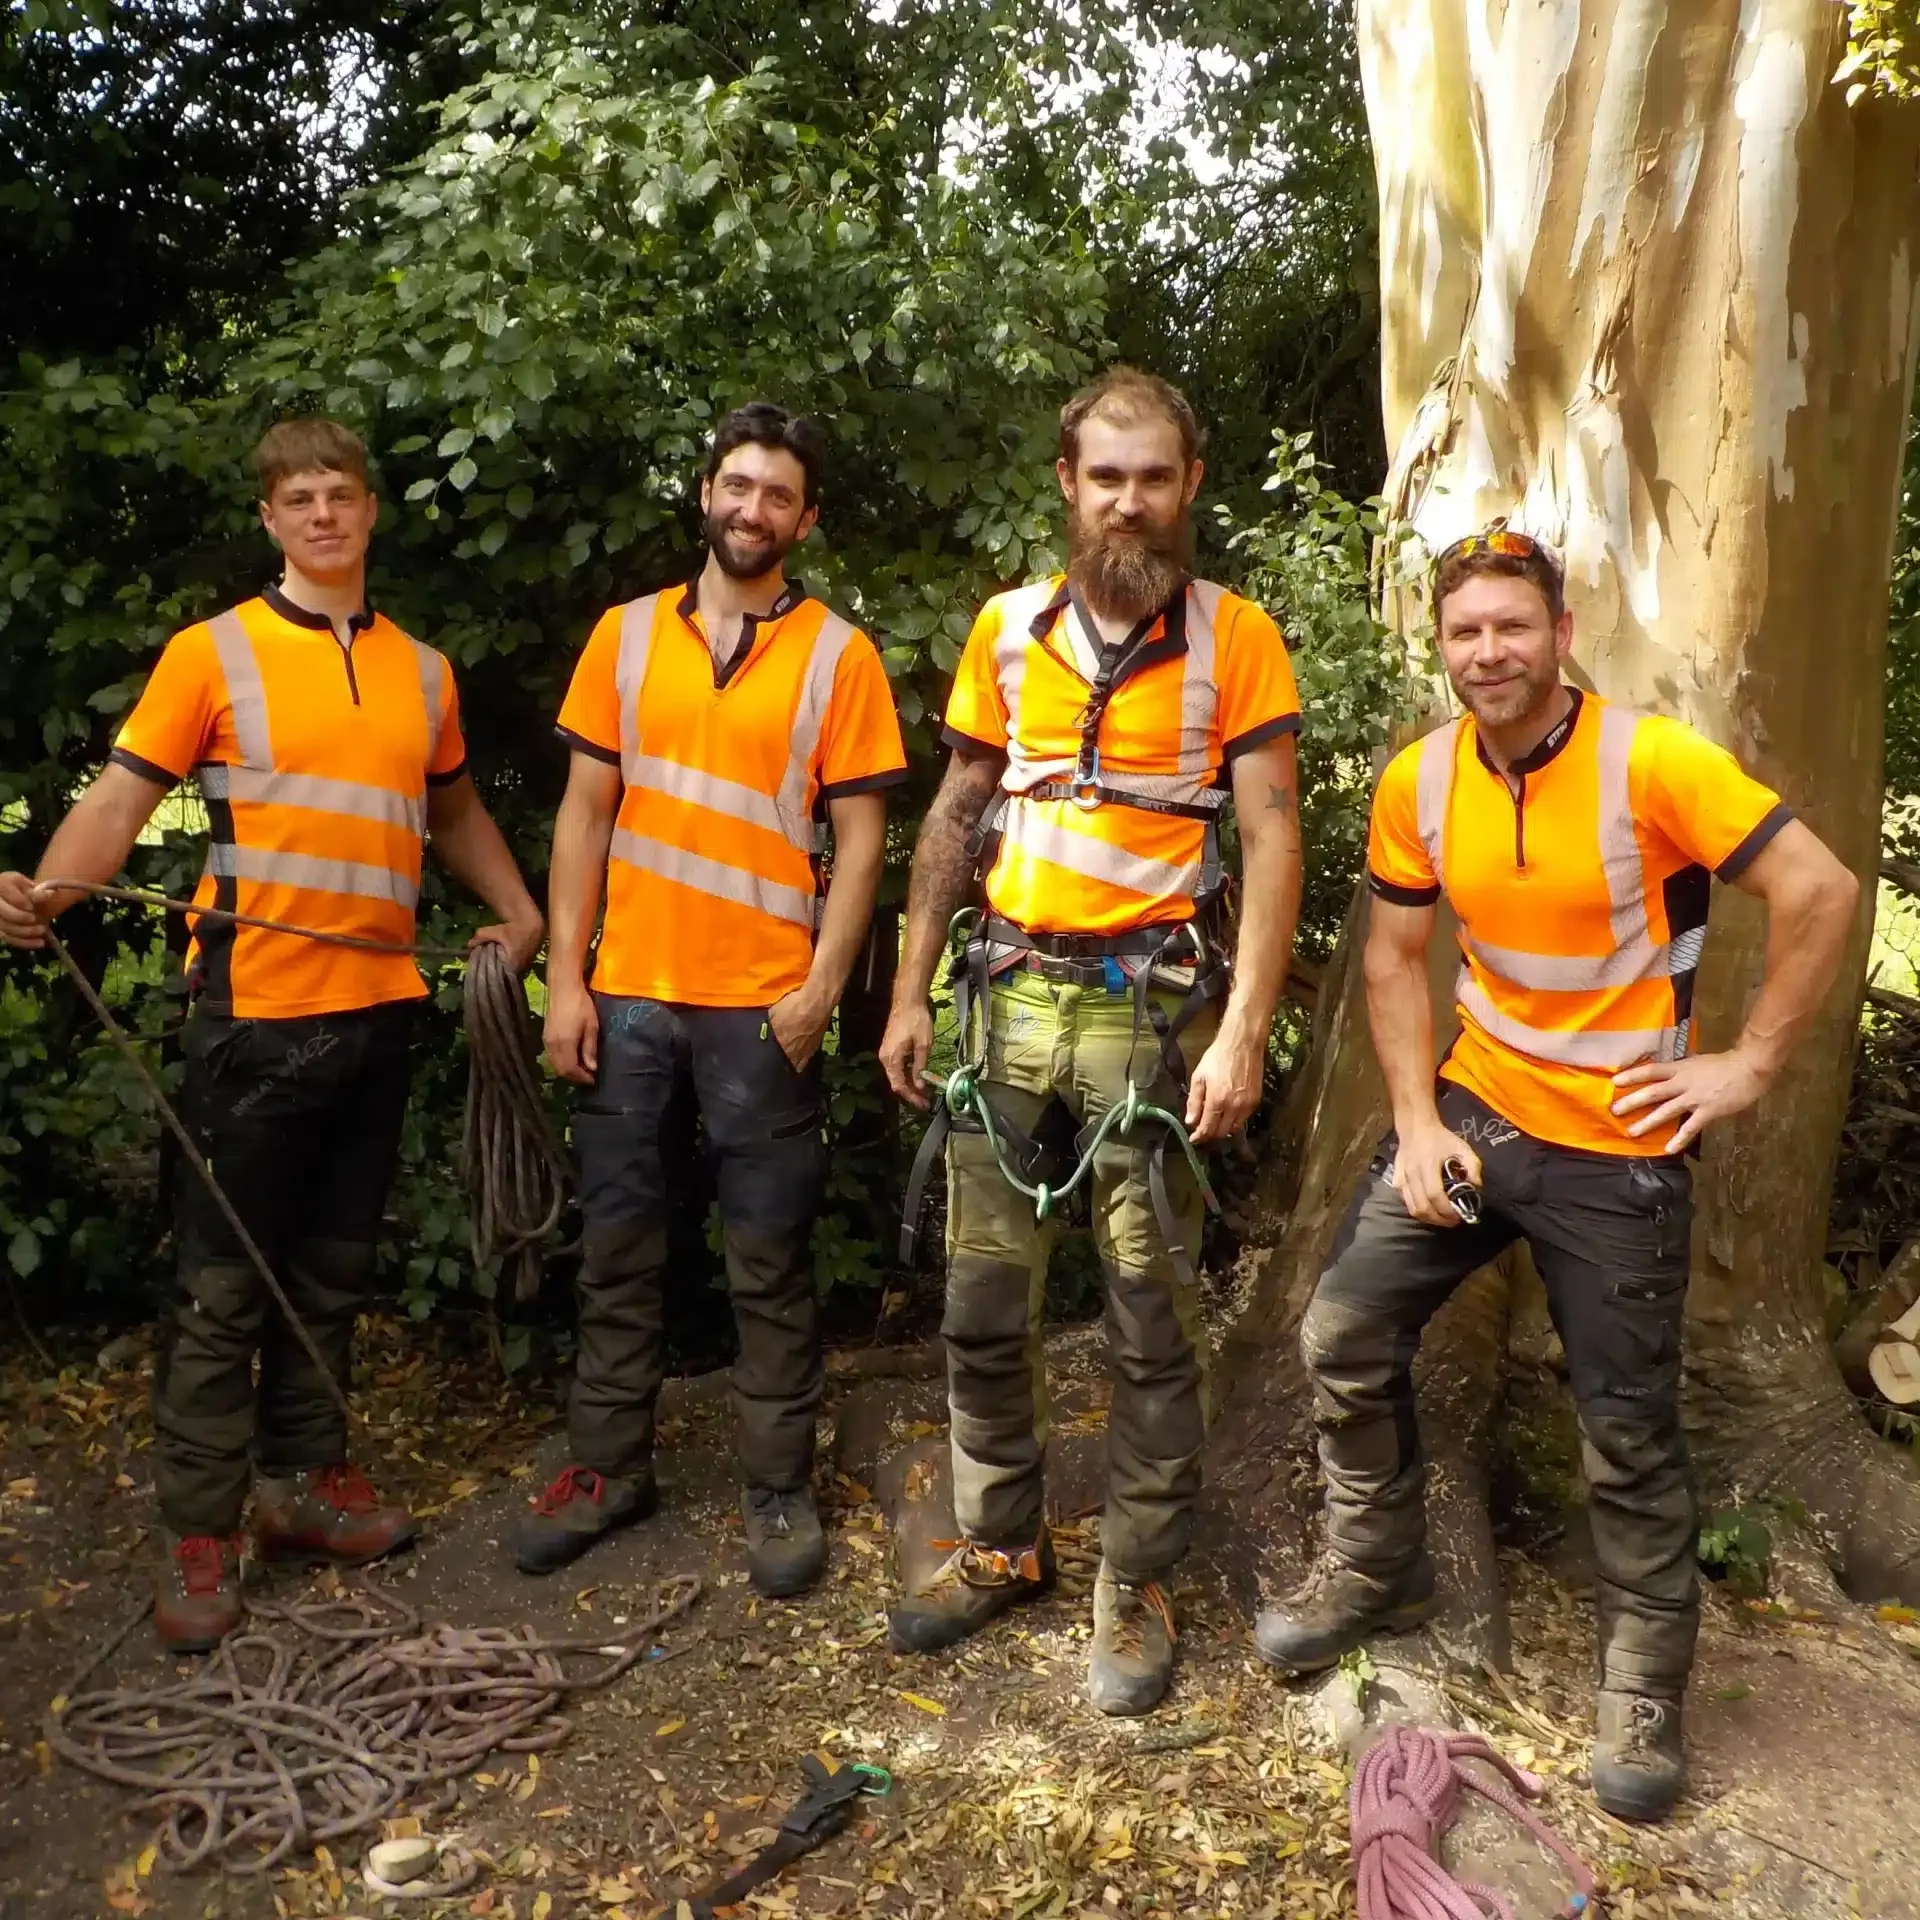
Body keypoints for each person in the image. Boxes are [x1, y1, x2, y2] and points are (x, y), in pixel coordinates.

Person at [1251, 527, 1859, 1820]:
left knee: (1626, 1431)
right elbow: (1388, 964)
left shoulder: (1653, 764)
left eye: (1511, 626)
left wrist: (1747, 1065)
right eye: (1465, 630)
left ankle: (1642, 1681)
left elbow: (1822, 889)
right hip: (1479, 1114)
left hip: (1623, 1148)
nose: (1489, 651)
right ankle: (1375, 1569)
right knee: (1342, 1333)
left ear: (1560, 633)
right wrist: (1415, 1122)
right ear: (1443, 644)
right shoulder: (1418, 783)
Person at [0, 419, 546, 1652]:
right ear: (270, 518)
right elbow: (122, 797)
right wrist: (47, 893)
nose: (321, 516)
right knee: (219, 1288)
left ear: (368, 511)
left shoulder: (423, 671)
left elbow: (448, 810)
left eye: (339, 496)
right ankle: (200, 1531)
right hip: (249, 1023)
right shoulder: (213, 655)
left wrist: (519, 910)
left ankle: (304, 1487)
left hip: (377, 1015)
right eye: (297, 498)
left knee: (332, 1274)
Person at [878, 367, 1304, 1715]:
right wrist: (903, 994)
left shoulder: (1239, 640)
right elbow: (953, 816)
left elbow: (1276, 834)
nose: (1130, 498)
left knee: (1148, 1317)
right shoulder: (1007, 630)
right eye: (1105, 474)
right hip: (1005, 1004)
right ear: (1067, 484)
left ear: (1190, 486)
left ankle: (1137, 1571)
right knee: (982, 1303)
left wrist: (1242, 1033)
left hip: (1150, 1019)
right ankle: (1003, 1542)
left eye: (1155, 475)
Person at [524, 403, 907, 1597]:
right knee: (620, 1247)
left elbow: (862, 839)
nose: (753, 509)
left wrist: (820, 991)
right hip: (630, 1000)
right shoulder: (626, 637)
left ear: (806, 519)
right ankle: (605, 1468)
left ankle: (777, 1484)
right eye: (737, 486)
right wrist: (567, 983)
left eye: (777, 495)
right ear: (706, 493)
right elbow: (585, 817)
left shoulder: (840, 655)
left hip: (762, 1011)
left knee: (767, 1256)